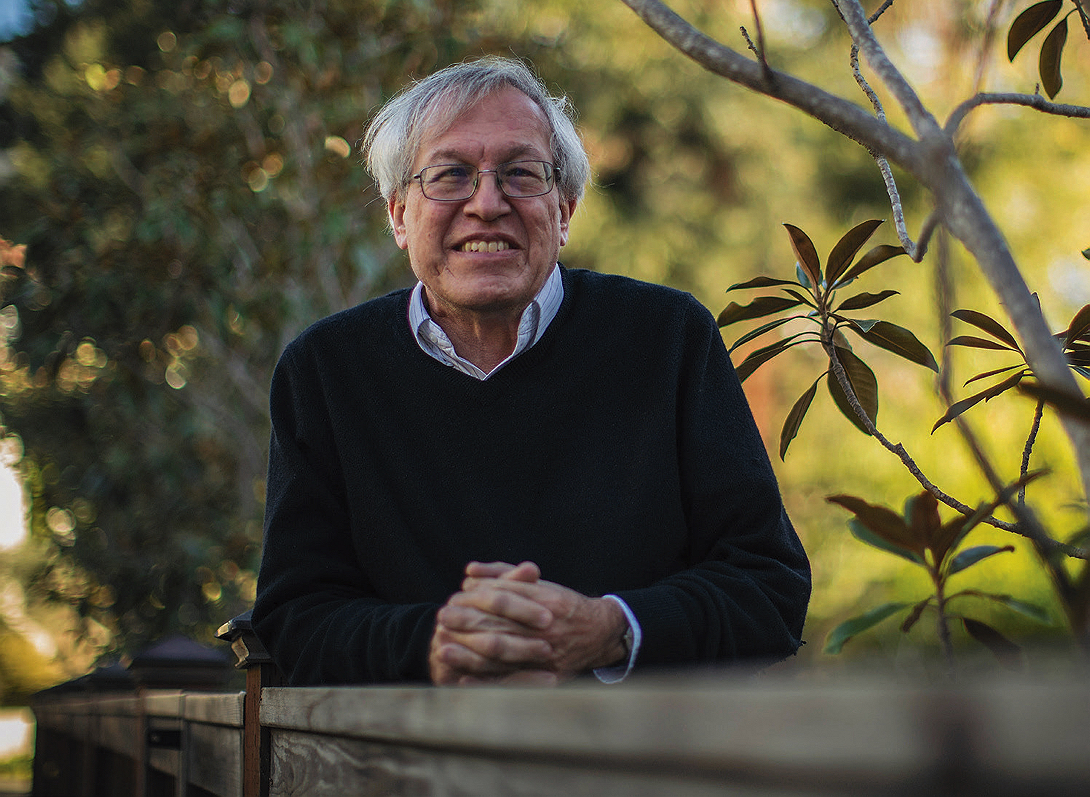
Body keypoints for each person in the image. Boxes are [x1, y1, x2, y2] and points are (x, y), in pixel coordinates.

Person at [252, 57, 810, 686]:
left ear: (565, 211)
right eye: (449, 175)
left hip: (645, 764)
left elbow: (769, 587)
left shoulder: (667, 339)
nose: (486, 204)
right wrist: (436, 643)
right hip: (408, 769)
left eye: (521, 174)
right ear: (398, 216)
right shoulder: (324, 373)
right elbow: (294, 617)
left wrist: (610, 629)